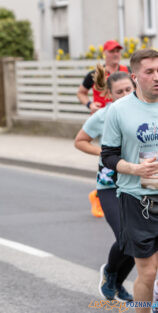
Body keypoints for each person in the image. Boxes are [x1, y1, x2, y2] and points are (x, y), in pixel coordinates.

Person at [101, 48, 158, 313]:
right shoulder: (118, 111)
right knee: (147, 273)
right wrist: (136, 169)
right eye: (150, 72)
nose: (157, 76)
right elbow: (108, 156)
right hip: (137, 199)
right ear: (135, 76)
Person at [74, 65, 135, 302]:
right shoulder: (103, 115)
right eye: (119, 92)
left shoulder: (144, 111)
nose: (125, 95)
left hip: (138, 184)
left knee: (138, 239)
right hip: (109, 185)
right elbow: (80, 141)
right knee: (124, 235)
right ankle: (110, 272)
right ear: (110, 95)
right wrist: (105, 151)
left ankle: (118, 284)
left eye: (128, 89)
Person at [77, 40, 130, 114]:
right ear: (104, 53)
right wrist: (90, 105)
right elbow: (81, 93)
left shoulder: (128, 71)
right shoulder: (95, 74)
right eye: (112, 51)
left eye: (118, 51)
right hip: (101, 117)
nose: (115, 54)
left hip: (123, 115)